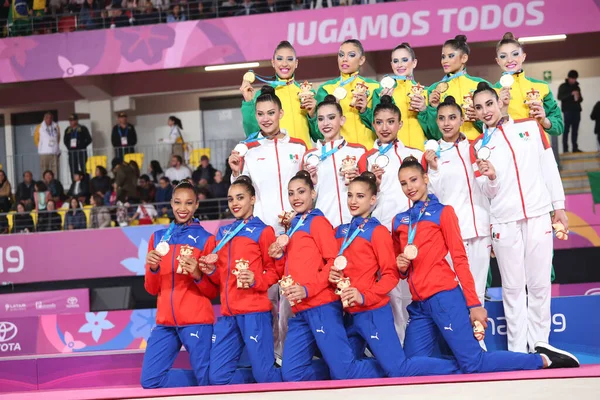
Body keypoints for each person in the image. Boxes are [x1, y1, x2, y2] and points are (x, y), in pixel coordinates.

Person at [393, 156, 579, 372]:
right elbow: (402, 267)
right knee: (408, 368)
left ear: (426, 178)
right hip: (419, 305)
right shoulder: (399, 220)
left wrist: (473, 304)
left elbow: (460, 260)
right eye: (403, 183)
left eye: (413, 180)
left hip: (444, 297)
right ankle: (462, 363)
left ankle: (542, 360)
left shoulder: (443, 212)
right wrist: (402, 267)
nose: (409, 187)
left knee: (474, 363)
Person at [470, 82, 567, 353]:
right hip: (504, 221)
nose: (486, 111)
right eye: (479, 107)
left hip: (537, 215)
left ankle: (541, 345)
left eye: (489, 104)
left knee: (539, 284)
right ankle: (517, 351)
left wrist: (558, 206)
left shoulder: (530, 127)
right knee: (513, 288)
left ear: (500, 102)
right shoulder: (477, 146)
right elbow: (487, 192)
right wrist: (490, 178)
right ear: (475, 113)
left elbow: (549, 166)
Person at [332, 172, 460, 377]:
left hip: (372, 311)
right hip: (348, 313)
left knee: (398, 369)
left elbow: (391, 275)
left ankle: (458, 366)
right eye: (350, 195)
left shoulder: (378, 232)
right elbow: (332, 263)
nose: (353, 201)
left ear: (373, 200)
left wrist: (364, 296)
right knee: (341, 371)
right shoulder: (339, 231)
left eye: (360, 196)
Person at [271, 171, 383, 381]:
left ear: (313, 194)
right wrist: (278, 257)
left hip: (321, 305)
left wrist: (306, 289)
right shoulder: (294, 226)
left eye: (301, 192)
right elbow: (288, 269)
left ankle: (387, 366)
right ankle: (337, 366)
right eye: (291, 193)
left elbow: (334, 263)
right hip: (300, 309)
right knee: (292, 374)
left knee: (344, 373)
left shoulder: (318, 222)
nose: (296, 197)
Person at [204, 176, 283, 384]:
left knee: (265, 376)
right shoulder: (222, 233)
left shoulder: (263, 231)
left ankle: (304, 372)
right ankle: (262, 375)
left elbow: (274, 271)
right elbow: (220, 276)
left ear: (253, 199)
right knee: (218, 377)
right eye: (231, 199)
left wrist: (256, 279)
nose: (235, 204)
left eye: (240, 198)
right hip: (228, 314)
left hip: (254, 313)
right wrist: (210, 270)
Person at [357, 95, 423, 343]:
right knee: (392, 294)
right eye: (379, 122)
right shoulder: (365, 158)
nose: (385, 127)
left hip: (412, 235)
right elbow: (361, 202)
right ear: (373, 125)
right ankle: (398, 347)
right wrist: (371, 180)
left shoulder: (414, 154)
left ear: (400, 123)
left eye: (390, 121)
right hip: (382, 237)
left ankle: (417, 347)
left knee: (415, 292)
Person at [141, 181, 218, 388]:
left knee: (207, 380)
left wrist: (197, 274)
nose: (182, 208)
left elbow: (212, 291)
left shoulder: (206, 240)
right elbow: (151, 288)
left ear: (196, 206)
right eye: (177, 202)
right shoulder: (157, 238)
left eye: (188, 203)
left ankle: (230, 380)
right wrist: (153, 268)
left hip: (196, 321)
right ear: (171, 203)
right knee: (150, 380)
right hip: (166, 323)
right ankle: (210, 381)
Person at [425, 96, 495, 320]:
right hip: (451, 236)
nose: (447, 123)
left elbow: (487, 187)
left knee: (477, 293)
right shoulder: (432, 155)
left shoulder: (476, 147)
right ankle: (461, 347)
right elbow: (434, 197)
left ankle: (479, 345)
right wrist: (433, 169)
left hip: (479, 231)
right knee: (455, 295)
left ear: (462, 119)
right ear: (436, 122)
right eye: (442, 118)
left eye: (452, 118)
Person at [229, 85, 306, 233]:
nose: (266, 119)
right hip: (262, 230)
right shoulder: (248, 150)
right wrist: (235, 173)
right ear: (256, 116)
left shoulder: (298, 147)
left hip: (297, 227)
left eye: (271, 113)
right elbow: (242, 191)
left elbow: (308, 187)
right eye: (260, 114)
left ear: (281, 113)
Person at [302, 95, 365, 228]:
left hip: (355, 224)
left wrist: (360, 179)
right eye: (320, 119)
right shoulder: (309, 156)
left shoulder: (358, 151)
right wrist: (311, 183)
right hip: (323, 225)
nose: (325, 124)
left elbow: (371, 190)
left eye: (331, 118)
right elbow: (305, 198)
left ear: (342, 120)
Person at [241, 41, 316, 148]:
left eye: (290, 59)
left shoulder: (308, 94)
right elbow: (252, 133)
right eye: (279, 59)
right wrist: (248, 102)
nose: (284, 63)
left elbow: (318, 136)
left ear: (296, 63)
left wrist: (312, 115)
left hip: (304, 158)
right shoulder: (264, 94)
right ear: (273, 62)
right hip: (276, 159)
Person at [311, 39, 379, 149]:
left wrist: (365, 111)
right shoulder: (326, 89)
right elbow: (317, 134)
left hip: (368, 152)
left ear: (361, 60)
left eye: (351, 55)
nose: (344, 59)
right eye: (341, 55)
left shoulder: (375, 87)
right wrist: (312, 115)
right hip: (337, 153)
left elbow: (383, 128)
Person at [493, 33, 563, 139]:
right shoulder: (492, 92)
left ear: (523, 57)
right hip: (509, 150)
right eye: (503, 56)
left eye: (515, 54)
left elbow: (559, 126)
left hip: (539, 149)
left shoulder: (541, 86)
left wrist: (544, 120)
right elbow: (486, 129)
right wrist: (501, 111)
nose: (509, 60)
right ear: (498, 61)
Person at [362, 43, 429, 150]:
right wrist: (384, 105)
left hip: (419, 151)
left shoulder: (426, 92)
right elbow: (375, 129)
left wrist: (424, 110)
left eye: (404, 60)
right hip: (391, 151)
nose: (400, 65)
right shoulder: (380, 92)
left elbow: (434, 131)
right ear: (391, 64)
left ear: (414, 62)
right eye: (396, 61)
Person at [422, 35, 489, 141]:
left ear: (464, 58)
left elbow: (493, 125)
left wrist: (478, 119)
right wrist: (433, 109)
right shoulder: (434, 89)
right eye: (443, 57)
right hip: (448, 149)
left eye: (450, 56)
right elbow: (434, 134)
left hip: (478, 145)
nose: (445, 61)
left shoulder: (480, 85)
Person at [558, 70, 584, 153]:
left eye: (575, 79)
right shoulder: (563, 86)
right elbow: (560, 97)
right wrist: (571, 94)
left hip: (577, 111)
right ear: (568, 78)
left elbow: (581, 99)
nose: (573, 80)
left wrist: (578, 96)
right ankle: (565, 149)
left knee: (575, 130)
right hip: (567, 111)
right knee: (566, 130)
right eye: (572, 78)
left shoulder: (577, 87)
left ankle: (575, 148)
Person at [63, 113, 93, 178]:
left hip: (81, 152)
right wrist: (69, 147)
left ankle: (85, 183)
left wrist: (82, 145)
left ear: (76, 120)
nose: (71, 122)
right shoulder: (67, 130)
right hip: (72, 152)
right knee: (73, 169)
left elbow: (89, 139)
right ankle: (74, 184)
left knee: (84, 168)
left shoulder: (82, 128)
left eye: (73, 120)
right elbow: (65, 141)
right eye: (70, 120)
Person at [34, 112, 61, 177]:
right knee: (44, 171)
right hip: (44, 153)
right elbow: (36, 139)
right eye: (47, 118)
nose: (49, 119)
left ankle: (54, 185)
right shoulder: (39, 127)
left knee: (55, 171)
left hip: (54, 153)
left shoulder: (56, 126)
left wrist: (55, 147)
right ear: (44, 118)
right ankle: (44, 185)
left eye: (50, 118)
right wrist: (42, 147)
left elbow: (58, 137)